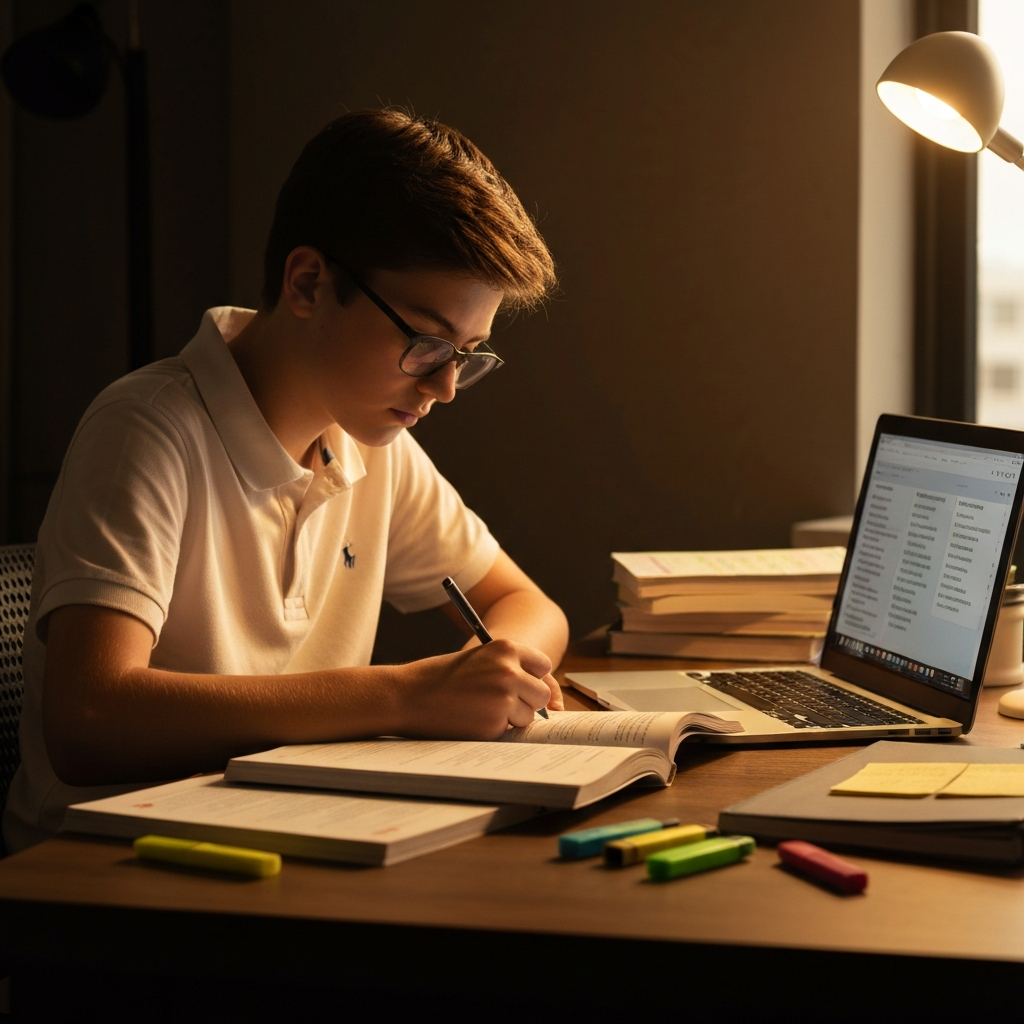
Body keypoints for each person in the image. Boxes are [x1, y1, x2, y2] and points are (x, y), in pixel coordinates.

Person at [3, 108, 568, 852]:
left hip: (287, 836)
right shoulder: (148, 429)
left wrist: (494, 667)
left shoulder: (369, 441)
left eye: (470, 353)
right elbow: (89, 720)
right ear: (307, 281)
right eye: (428, 343)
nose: (446, 388)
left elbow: (525, 603)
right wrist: (404, 695)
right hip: (109, 878)